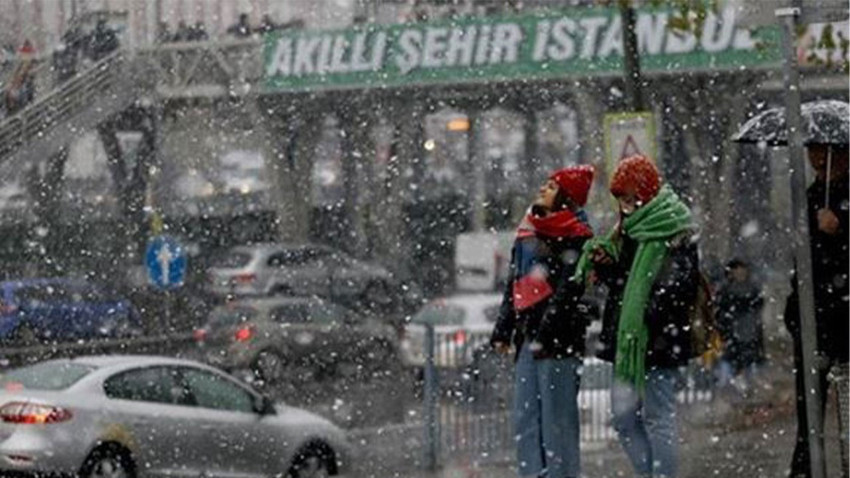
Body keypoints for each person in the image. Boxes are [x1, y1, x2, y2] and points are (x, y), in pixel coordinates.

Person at [573, 155, 698, 478]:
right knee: (623, 417)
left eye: (631, 196)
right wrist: (606, 265)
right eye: (621, 199)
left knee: (658, 416)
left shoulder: (674, 227)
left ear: (647, 191)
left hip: (657, 338)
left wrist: (647, 312)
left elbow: (680, 287)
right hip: (629, 342)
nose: (626, 205)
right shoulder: (629, 230)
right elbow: (624, 283)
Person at [491, 165, 595, 478]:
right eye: (545, 184)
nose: (543, 189)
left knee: (557, 421)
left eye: (552, 186)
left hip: (559, 342)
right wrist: (504, 329)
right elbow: (514, 285)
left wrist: (547, 330)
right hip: (528, 338)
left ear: (566, 197)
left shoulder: (578, 237)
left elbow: (569, 290)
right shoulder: (528, 232)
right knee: (525, 417)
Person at [785, 143, 849, 478]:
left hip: (843, 316)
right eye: (813, 154)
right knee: (809, 410)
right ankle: (806, 469)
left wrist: (839, 232)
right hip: (814, 320)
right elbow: (803, 261)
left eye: (826, 154)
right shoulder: (810, 197)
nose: (819, 162)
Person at [715, 258, 764, 393]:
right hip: (734, 334)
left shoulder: (751, 289)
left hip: (748, 333)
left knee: (747, 368)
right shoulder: (726, 291)